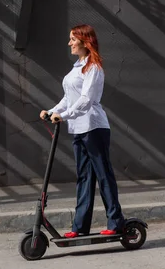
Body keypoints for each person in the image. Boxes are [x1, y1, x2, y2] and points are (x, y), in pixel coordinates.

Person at [40, 24, 125, 238]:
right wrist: (52, 111)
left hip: (94, 127)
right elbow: (69, 99)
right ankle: (80, 227)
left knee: (103, 175)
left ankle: (116, 222)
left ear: (84, 41)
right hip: (78, 129)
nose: (69, 43)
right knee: (84, 178)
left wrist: (65, 115)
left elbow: (86, 100)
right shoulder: (77, 66)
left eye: (72, 39)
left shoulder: (93, 67)